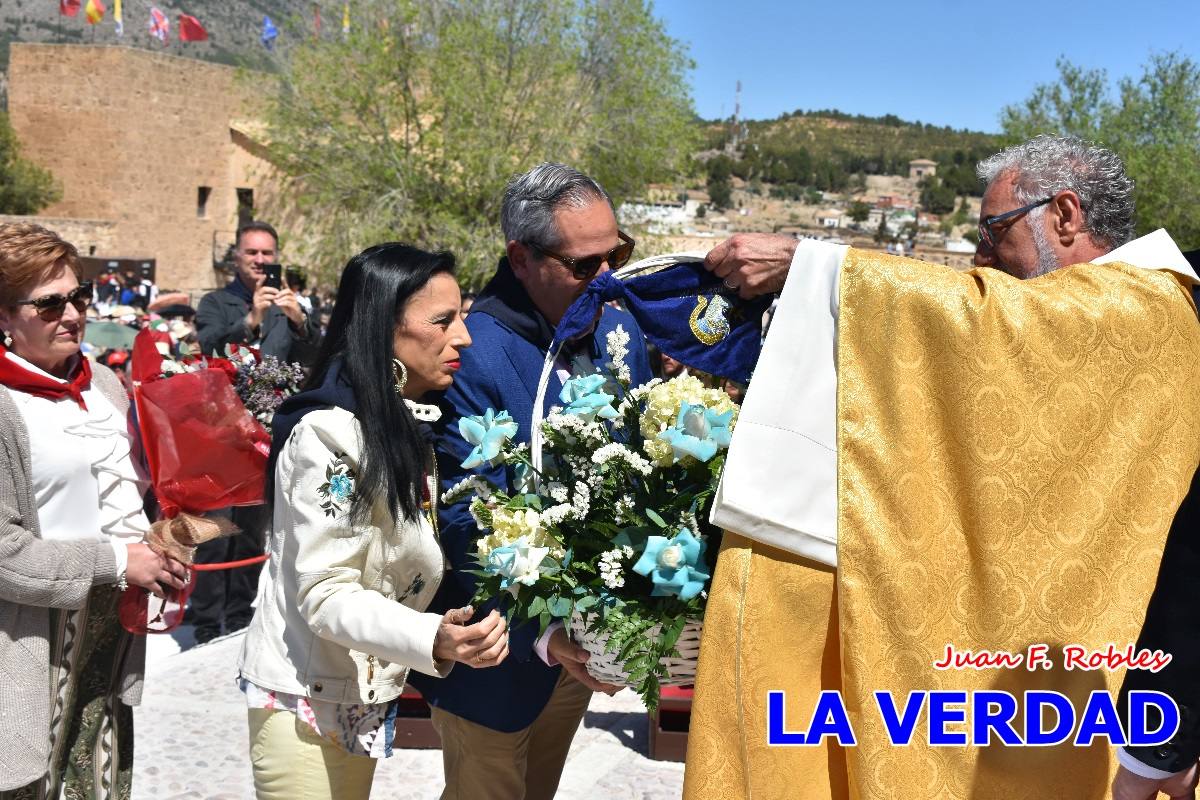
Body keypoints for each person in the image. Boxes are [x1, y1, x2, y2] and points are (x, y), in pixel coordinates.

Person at [682, 135, 1200, 800]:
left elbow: (1000, 321)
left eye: (993, 230)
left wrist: (809, 267)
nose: (979, 257)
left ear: (1065, 215)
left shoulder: (1140, 302)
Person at [407, 163, 654, 800]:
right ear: (521, 258)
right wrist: (542, 633)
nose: (606, 276)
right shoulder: (469, 352)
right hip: (493, 655)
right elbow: (461, 516)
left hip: (580, 653)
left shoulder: (618, 327)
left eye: (616, 252)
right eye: (582, 264)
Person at [237, 242, 507, 800]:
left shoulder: (401, 423)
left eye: (462, 315)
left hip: (354, 694)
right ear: (385, 328)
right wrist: (432, 636)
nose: (464, 337)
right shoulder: (331, 436)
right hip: (305, 702)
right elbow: (327, 592)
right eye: (443, 320)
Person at [0, 222, 188, 799]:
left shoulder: (105, 383)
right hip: (30, 639)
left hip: (110, 632)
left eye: (78, 297)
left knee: (97, 780)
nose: (73, 315)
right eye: (49, 303)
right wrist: (114, 560)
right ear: (4, 317)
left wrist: (169, 539)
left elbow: (130, 494)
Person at [191, 221, 321, 644]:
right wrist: (250, 320)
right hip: (220, 433)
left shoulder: (291, 306)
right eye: (253, 254)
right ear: (237, 257)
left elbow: (316, 359)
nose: (261, 261)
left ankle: (238, 613)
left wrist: (300, 323)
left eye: (268, 253)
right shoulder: (216, 302)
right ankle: (207, 619)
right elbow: (205, 346)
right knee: (215, 527)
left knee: (253, 526)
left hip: (267, 433)